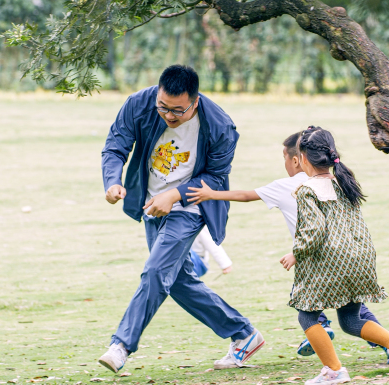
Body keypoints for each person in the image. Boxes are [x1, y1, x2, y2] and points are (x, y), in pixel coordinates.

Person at [97, 64, 264, 374]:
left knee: (156, 272)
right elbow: (115, 145)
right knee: (178, 282)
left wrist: (174, 195)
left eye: (177, 111)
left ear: (195, 101)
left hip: (191, 205)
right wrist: (112, 181)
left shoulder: (219, 126)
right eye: (163, 107)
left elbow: (215, 178)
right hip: (150, 205)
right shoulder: (139, 104)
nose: (169, 116)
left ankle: (121, 345)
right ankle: (244, 334)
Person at [187, 131, 389, 364]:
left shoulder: (293, 187)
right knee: (352, 313)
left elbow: (246, 195)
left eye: (285, 158)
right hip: (350, 257)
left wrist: (211, 194)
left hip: (317, 258)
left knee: (306, 306)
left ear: (298, 160)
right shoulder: (341, 180)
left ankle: (327, 344)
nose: (285, 164)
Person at [280, 126, 389, 384]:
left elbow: (314, 230)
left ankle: (334, 371)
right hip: (360, 259)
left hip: (331, 262)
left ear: (303, 159)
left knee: (307, 315)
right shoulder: (344, 183)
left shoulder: (307, 190)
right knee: (349, 319)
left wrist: (296, 253)